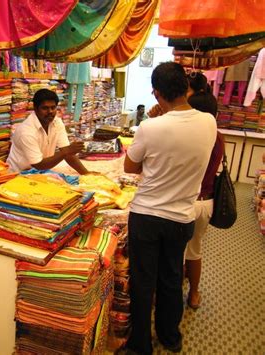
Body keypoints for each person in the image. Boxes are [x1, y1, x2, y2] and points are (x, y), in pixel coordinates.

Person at [123, 62, 217, 354]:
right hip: (181, 216)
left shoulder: (150, 127)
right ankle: (170, 336)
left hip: (147, 214)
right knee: (172, 277)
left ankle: (140, 344)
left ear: (157, 94)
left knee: (143, 281)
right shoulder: (209, 122)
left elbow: (130, 166)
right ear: (185, 89)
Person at [184, 74, 225, 310]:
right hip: (205, 201)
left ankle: (188, 290)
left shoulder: (193, 137)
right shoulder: (218, 137)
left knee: (176, 251)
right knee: (194, 249)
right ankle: (194, 293)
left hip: (188, 202)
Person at [7, 89, 90, 174]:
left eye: (53, 107)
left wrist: (86, 174)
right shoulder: (26, 131)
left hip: (40, 173)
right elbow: (38, 164)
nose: (50, 111)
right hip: (18, 175)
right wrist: (66, 152)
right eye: (45, 108)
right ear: (35, 108)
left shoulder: (57, 122)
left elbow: (67, 153)